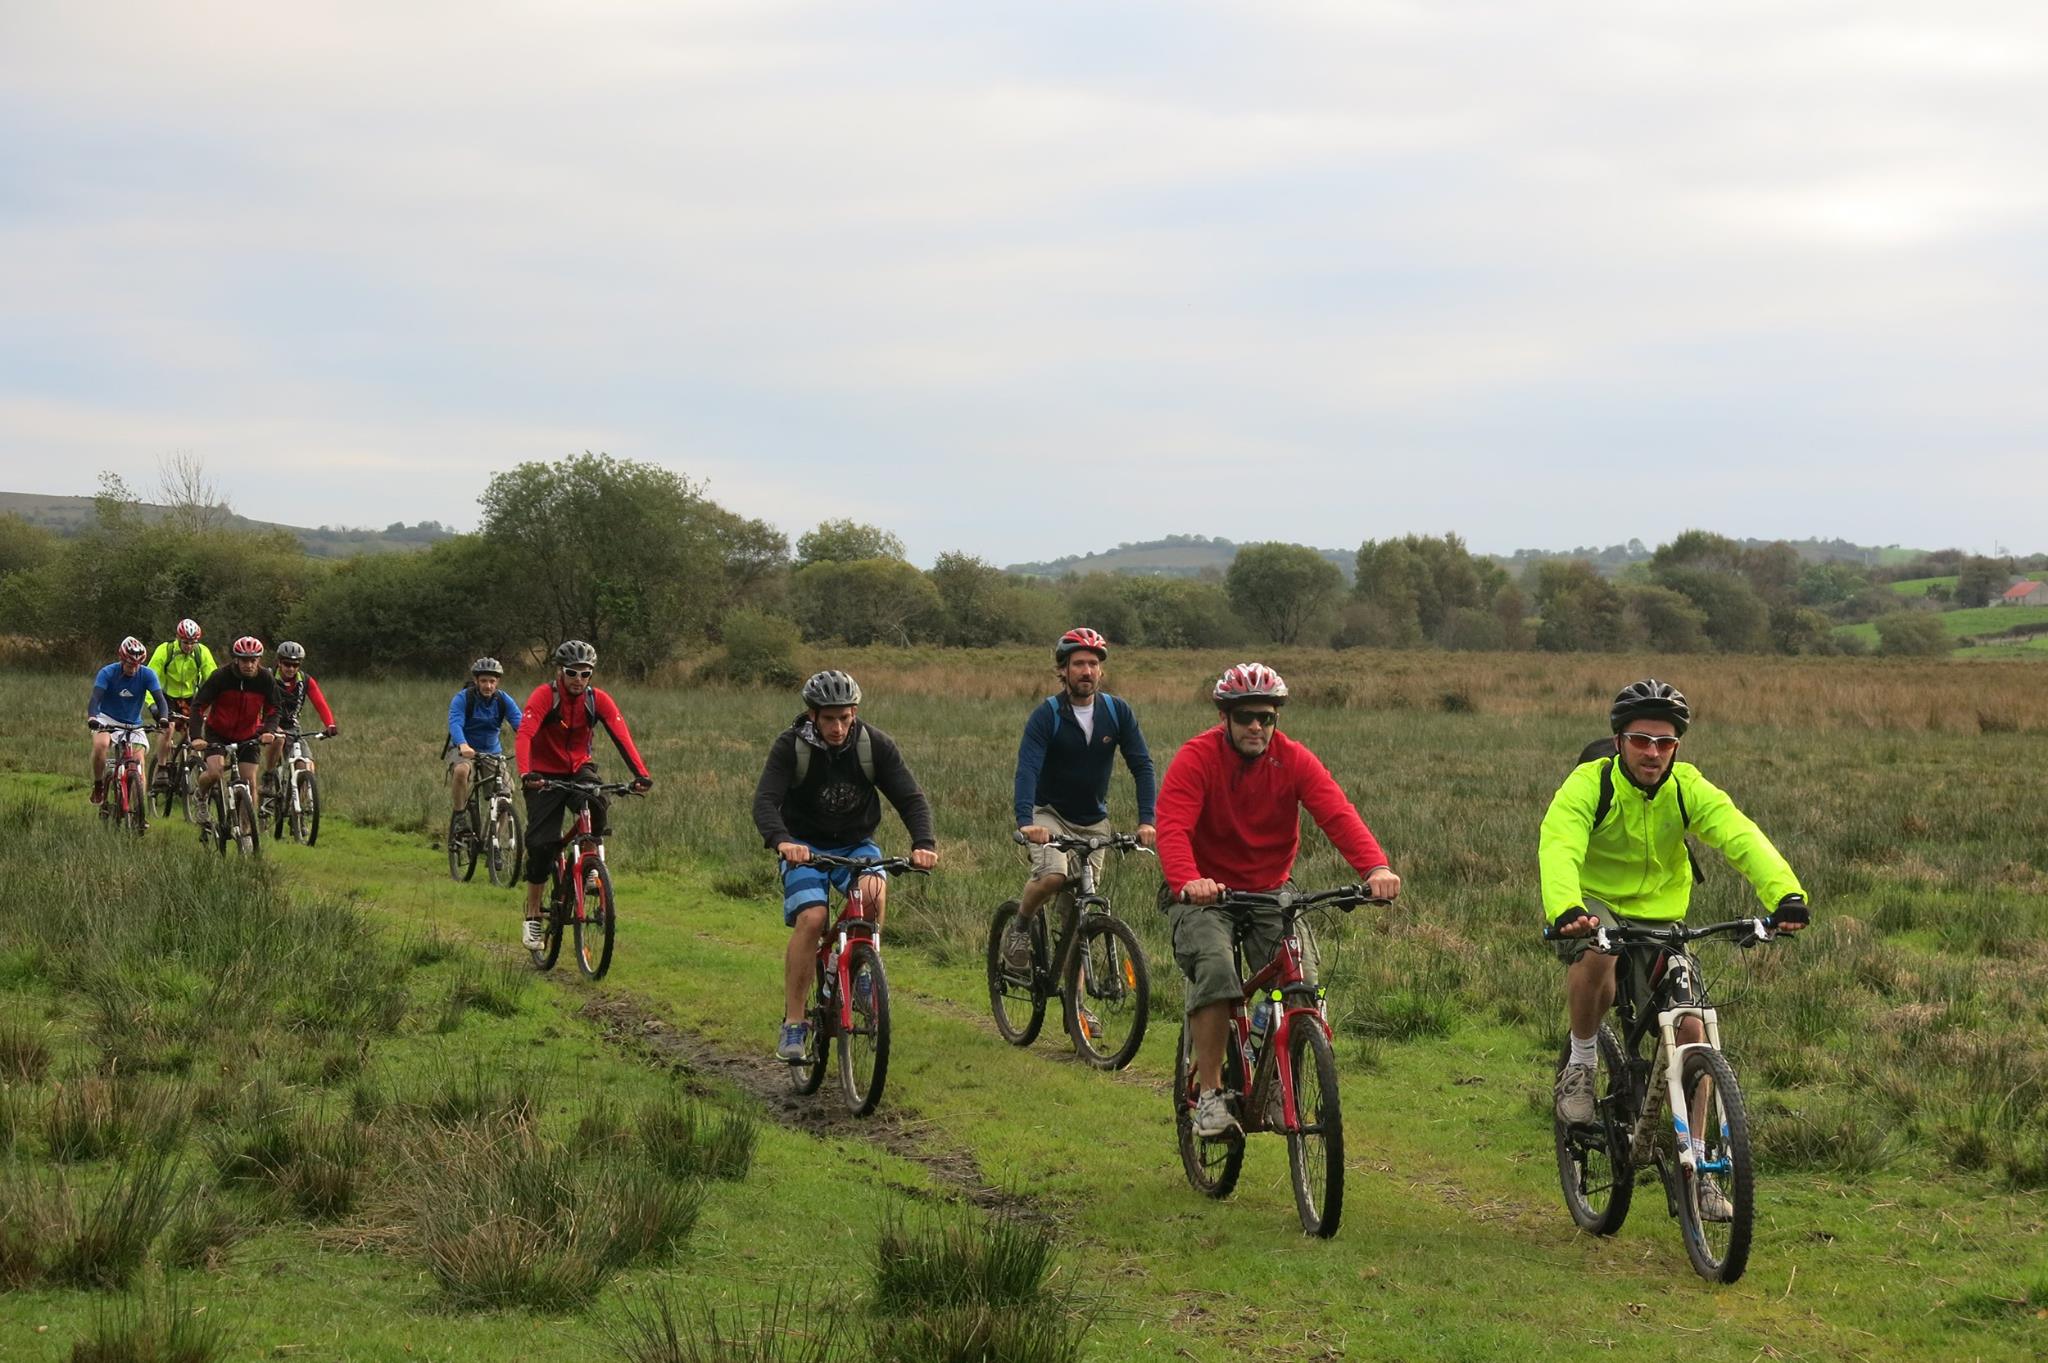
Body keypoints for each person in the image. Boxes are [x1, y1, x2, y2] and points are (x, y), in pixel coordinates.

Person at [1540, 678, 1808, 1217]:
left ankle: (1701, 1170)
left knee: (1692, 1028)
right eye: (1641, 740)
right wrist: (1566, 908)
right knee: (1600, 952)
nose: (1653, 753)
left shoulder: (1687, 787)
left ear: (1677, 748)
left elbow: (1739, 834)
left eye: (1664, 743)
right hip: (1595, 904)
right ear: (1619, 741)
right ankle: (1583, 1062)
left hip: (1664, 915)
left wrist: (1785, 895)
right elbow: (1560, 840)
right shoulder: (1590, 784)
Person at [1157, 663, 1401, 1138]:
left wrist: (1374, 868)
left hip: (1270, 890)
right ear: (1225, 717)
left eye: (1266, 718)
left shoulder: (1293, 760)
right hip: (1204, 892)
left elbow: (1337, 812)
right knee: (1216, 970)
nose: (1256, 727)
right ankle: (1209, 1096)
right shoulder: (1197, 758)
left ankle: (1276, 1077)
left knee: (1301, 982)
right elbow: (1172, 826)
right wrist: (1189, 879)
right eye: (1246, 716)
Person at [752, 670, 938, 1061]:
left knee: (872, 893)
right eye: (829, 718)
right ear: (813, 715)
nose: (838, 727)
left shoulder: (874, 746)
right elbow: (765, 802)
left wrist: (923, 843)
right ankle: (794, 1023)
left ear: (854, 713)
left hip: (856, 845)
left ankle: (862, 967)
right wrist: (783, 842)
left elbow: (911, 798)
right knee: (813, 919)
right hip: (804, 847)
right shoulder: (791, 747)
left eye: (845, 717)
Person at [1001, 627, 1157, 973]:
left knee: (1081, 912)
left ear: (1100, 670)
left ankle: (1078, 1008)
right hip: (1048, 814)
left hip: (1094, 820)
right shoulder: (1048, 715)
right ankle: (1020, 928)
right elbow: (1027, 768)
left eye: (1093, 664)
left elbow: (1142, 766)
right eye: (1079, 664)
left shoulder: (1117, 712)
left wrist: (1147, 821)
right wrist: (1026, 822)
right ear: (1063, 670)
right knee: (1054, 875)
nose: (1087, 671)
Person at [514, 641, 652, 950]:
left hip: (578, 767)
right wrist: (526, 773)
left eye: (585, 673)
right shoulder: (544, 696)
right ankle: (533, 915)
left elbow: (621, 735)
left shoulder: (597, 699)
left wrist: (640, 774)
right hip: (542, 775)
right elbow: (524, 735)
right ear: (560, 672)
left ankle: (590, 862)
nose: (579, 679)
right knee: (540, 844)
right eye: (572, 673)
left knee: (597, 797)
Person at [189, 636, 283, 832]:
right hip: (218, 733)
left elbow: (274, 708)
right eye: (244, 660)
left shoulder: (265, 678)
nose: (249, 665)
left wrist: (269, 730)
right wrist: (196, 736)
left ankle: (247, 832)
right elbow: (198, 706)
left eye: (253, 660)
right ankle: (201, 795)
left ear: (259, 660)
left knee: (249, 780)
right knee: (215, 771)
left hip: (248, 734)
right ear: (236, 660)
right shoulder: (221, 677)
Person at [86, 637, 170, 803]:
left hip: (133, 723)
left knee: (139, 764)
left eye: (137, 665)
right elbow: (95, 699)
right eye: (130, 665)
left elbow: (160, 700)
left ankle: (140, 810)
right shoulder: (107, 673)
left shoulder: (147, 674)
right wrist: (92, 717)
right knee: (100, 745)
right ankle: (98, 784)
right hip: (107, 718)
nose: (134, 669)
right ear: (122, 660)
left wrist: (163, 718)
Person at [446, 657, 524, 833]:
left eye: (491, 681)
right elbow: (455, 723)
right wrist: (463, 745)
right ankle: (459, 816)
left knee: (505, 796)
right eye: (483, 681)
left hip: (492, 752)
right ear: (476, 681)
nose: (487, 686)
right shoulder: (463, 699)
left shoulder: (504, 700)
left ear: (497, 682)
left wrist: (532, 742)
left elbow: (520, 725)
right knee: (461, 771)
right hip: (463, 749)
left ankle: (492, 841)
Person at [260, 641, 338, 794]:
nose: (291, 669)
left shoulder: (305, 680)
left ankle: (297, 809)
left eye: (295, 665)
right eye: (287, 664)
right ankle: (268, 777)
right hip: (270, 723)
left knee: (305, 766)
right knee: (280, 738)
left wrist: (330, 724)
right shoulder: (267, 677)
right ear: (279, 662)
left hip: (292, 726)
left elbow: (320, 703)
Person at [147, 618, 216, 787]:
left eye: (193, 642)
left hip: (191, 698)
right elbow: (149, 679)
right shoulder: (165, 650)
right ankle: (162, 768)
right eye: (185, 642)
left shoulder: (202, 653)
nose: (189, 646)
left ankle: (194, 767)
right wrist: (152, 704)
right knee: (168, 728)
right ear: (178, 638)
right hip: (165, 697)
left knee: (196, 733)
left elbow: (214, 680)